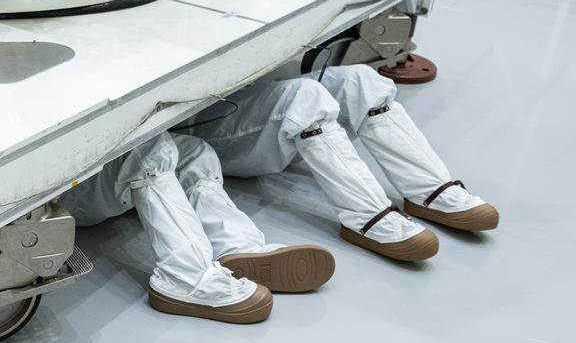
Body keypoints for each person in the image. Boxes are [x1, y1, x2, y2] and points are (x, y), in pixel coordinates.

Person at [194, 65, 499, 261]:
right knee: (305, 96)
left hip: (243, 90)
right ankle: (365, 217)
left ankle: (428, 190)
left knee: (360, 80)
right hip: (200, 124)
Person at [61, 131, 336, 324]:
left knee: (195, 152)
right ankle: (184, 277)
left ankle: (236, 245)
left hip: (88, 151)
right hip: (65, 187)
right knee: (147, 150)